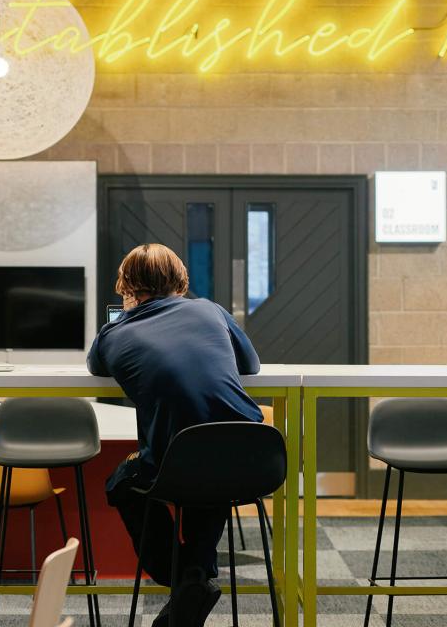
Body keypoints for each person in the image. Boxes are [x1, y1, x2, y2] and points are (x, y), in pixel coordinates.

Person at [87, 243, 263, 627]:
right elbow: (251, 363)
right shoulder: (210, 310)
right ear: (180, 281)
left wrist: (125, 320)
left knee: (121, 483)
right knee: (209, 478)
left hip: (181, 460)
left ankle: (184, 581)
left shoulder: (113, 333)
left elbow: (96, 367)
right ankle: (195, 579)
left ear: (127, 286)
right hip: (254, 454)